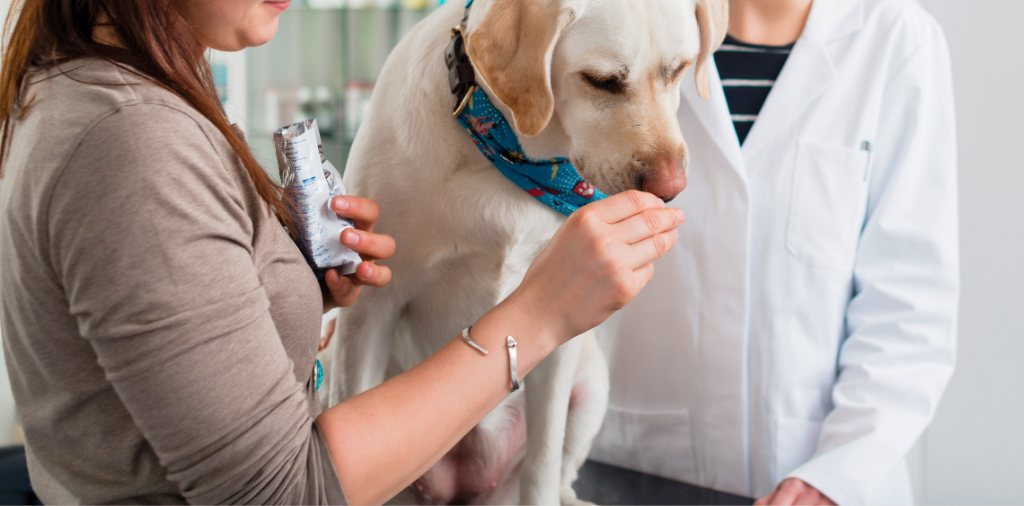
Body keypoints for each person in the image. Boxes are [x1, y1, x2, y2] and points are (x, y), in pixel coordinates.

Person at [0, 0, 684, 504]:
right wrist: (539, 316)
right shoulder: (135, 141)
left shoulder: (108, 92)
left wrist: (272, 279)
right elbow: (282, 495)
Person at [586, 0, 959, 504]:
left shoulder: (898, 38)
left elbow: (910, 301)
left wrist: (839, 473)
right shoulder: (627, 24)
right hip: (635, 464)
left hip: (830, 472)